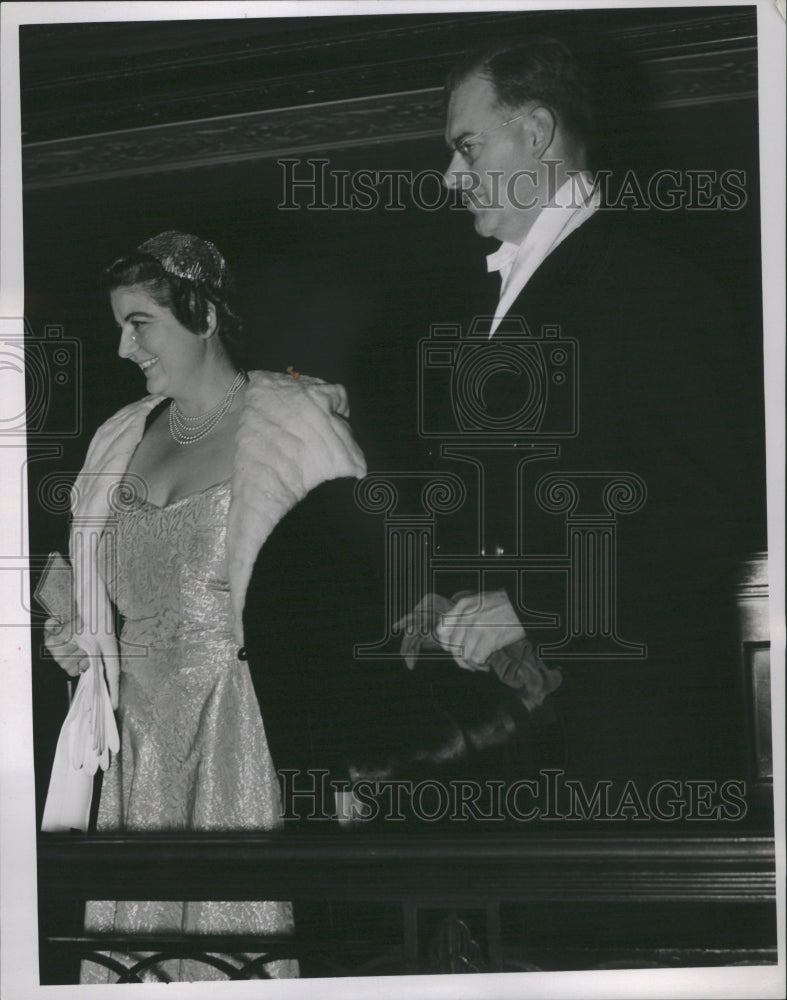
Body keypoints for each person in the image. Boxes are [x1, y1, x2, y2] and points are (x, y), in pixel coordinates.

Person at [423, 37, 761, 779]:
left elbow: (706, 520)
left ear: (536, 133)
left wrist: (527, 605)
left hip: (634, 745)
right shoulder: (502, 302)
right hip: (536, 735)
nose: (452, 177)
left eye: (467, 147)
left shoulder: (657, 289)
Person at [41, 230, 367, 982]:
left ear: (204, 316)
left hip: (248, 732)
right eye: (118, 325)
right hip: (138, 743)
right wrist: (85, 643)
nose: (124, 348)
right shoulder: (120, 437)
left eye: (139, 323)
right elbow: (106, 602)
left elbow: (350, 608)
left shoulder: (293, 424)